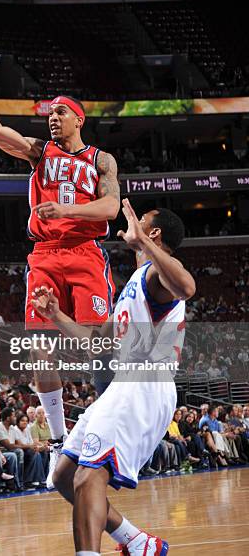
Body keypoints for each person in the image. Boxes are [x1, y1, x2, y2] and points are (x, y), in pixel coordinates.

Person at [0, 57, 120, 487]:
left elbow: (110, 208)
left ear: (78, 118)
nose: (52, 119)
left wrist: (65, 208)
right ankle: (62, 440)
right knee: (39, 350)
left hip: (85, 252)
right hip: (45, 254)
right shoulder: (37, 152)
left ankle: (107, 434)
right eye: (49, 114)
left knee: (99, 346)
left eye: (60, 112)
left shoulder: (101, 160)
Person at [31, 199, 195, 556]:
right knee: (63, 477)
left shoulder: (159, 276)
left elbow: (187, 287)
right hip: (125, 384)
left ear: (153, 233)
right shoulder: (137, 281)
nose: (126, 226)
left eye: (138, 221)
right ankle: (137, 542)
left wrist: (144, 244)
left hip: (145, 382)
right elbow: (97, 346)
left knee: (89, 477)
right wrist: (57, 315)